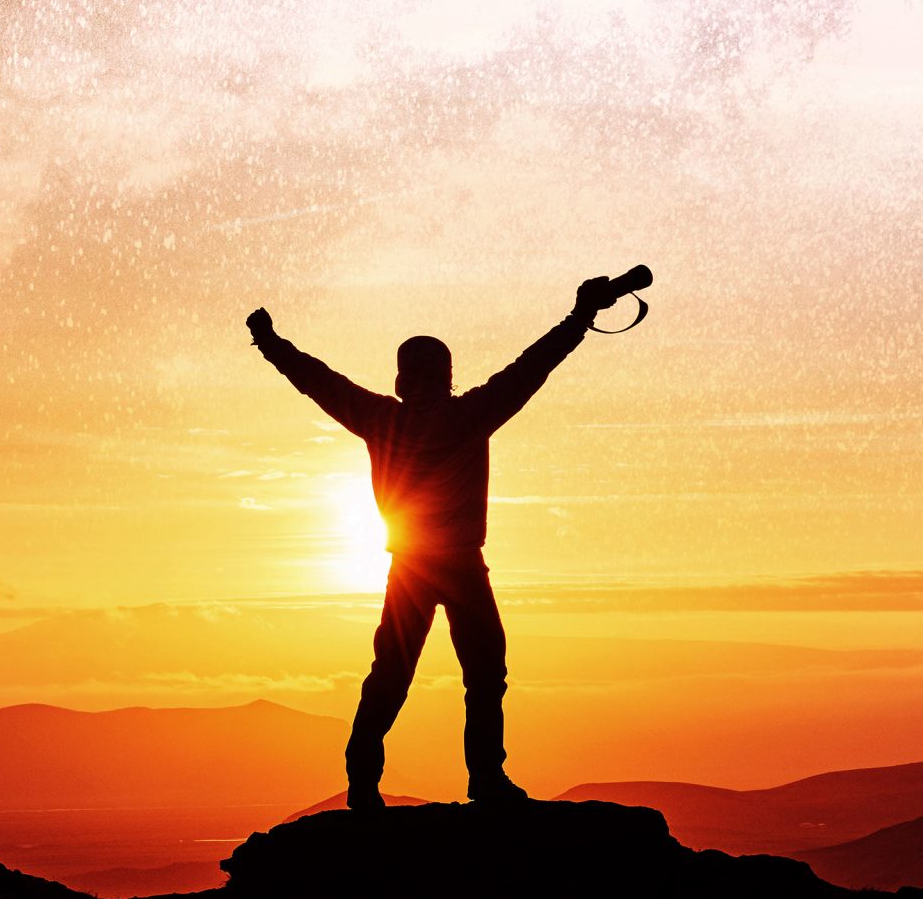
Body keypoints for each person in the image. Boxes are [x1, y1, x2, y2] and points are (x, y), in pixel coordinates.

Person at [246, 277, 639, 808]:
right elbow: (532, 367)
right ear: (447, 378)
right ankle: (483, 781)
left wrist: (271, 343)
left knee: (395, 673)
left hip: (411, 565)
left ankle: (367, 785)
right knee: (481, 672)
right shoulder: (467, 415)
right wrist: (577, 317)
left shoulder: (381, 418)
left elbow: (318, 381)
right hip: (457, 564)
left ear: (402, 380)